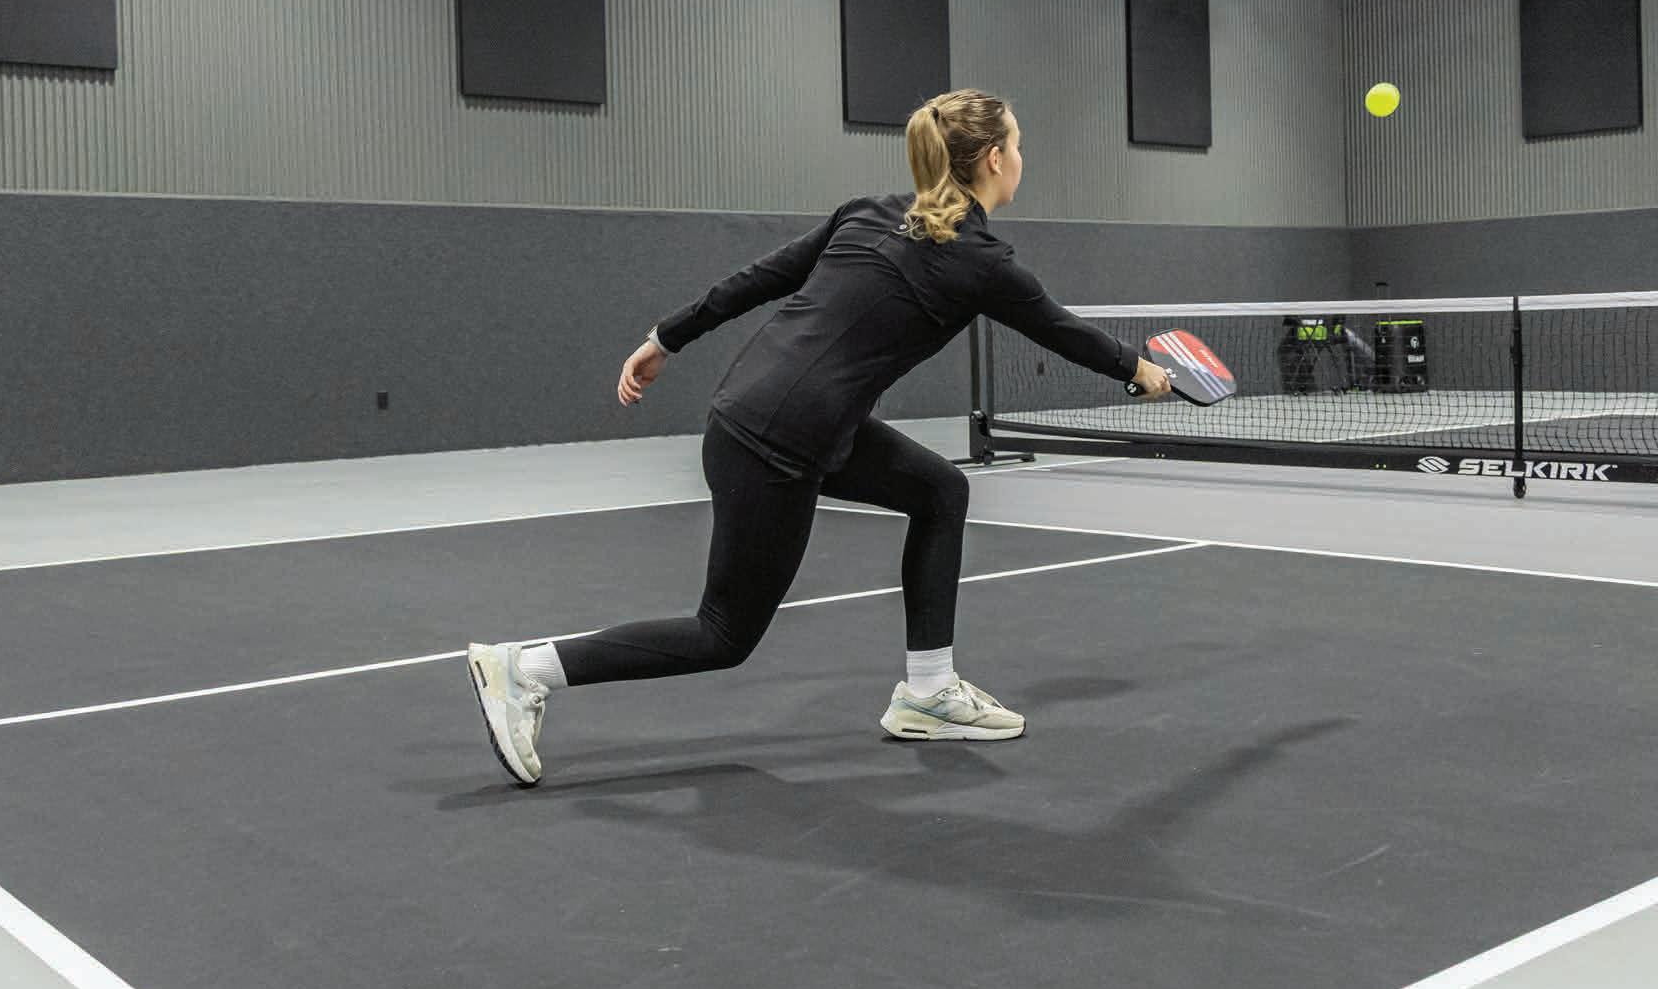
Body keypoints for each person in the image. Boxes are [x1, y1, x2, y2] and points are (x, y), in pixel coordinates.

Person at [465, 89, 1172, 788]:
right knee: (722, 634)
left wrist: (665, 338)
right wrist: (1139, 371)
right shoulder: (979, 260)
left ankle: (929, 692)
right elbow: (1060, 329)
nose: (1021, 158)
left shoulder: (870, 212)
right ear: (992, 159)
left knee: (939, 492)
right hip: (772, 445)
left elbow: (757, 279)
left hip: (770, 416)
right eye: (1017, 145)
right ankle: (524, 670)